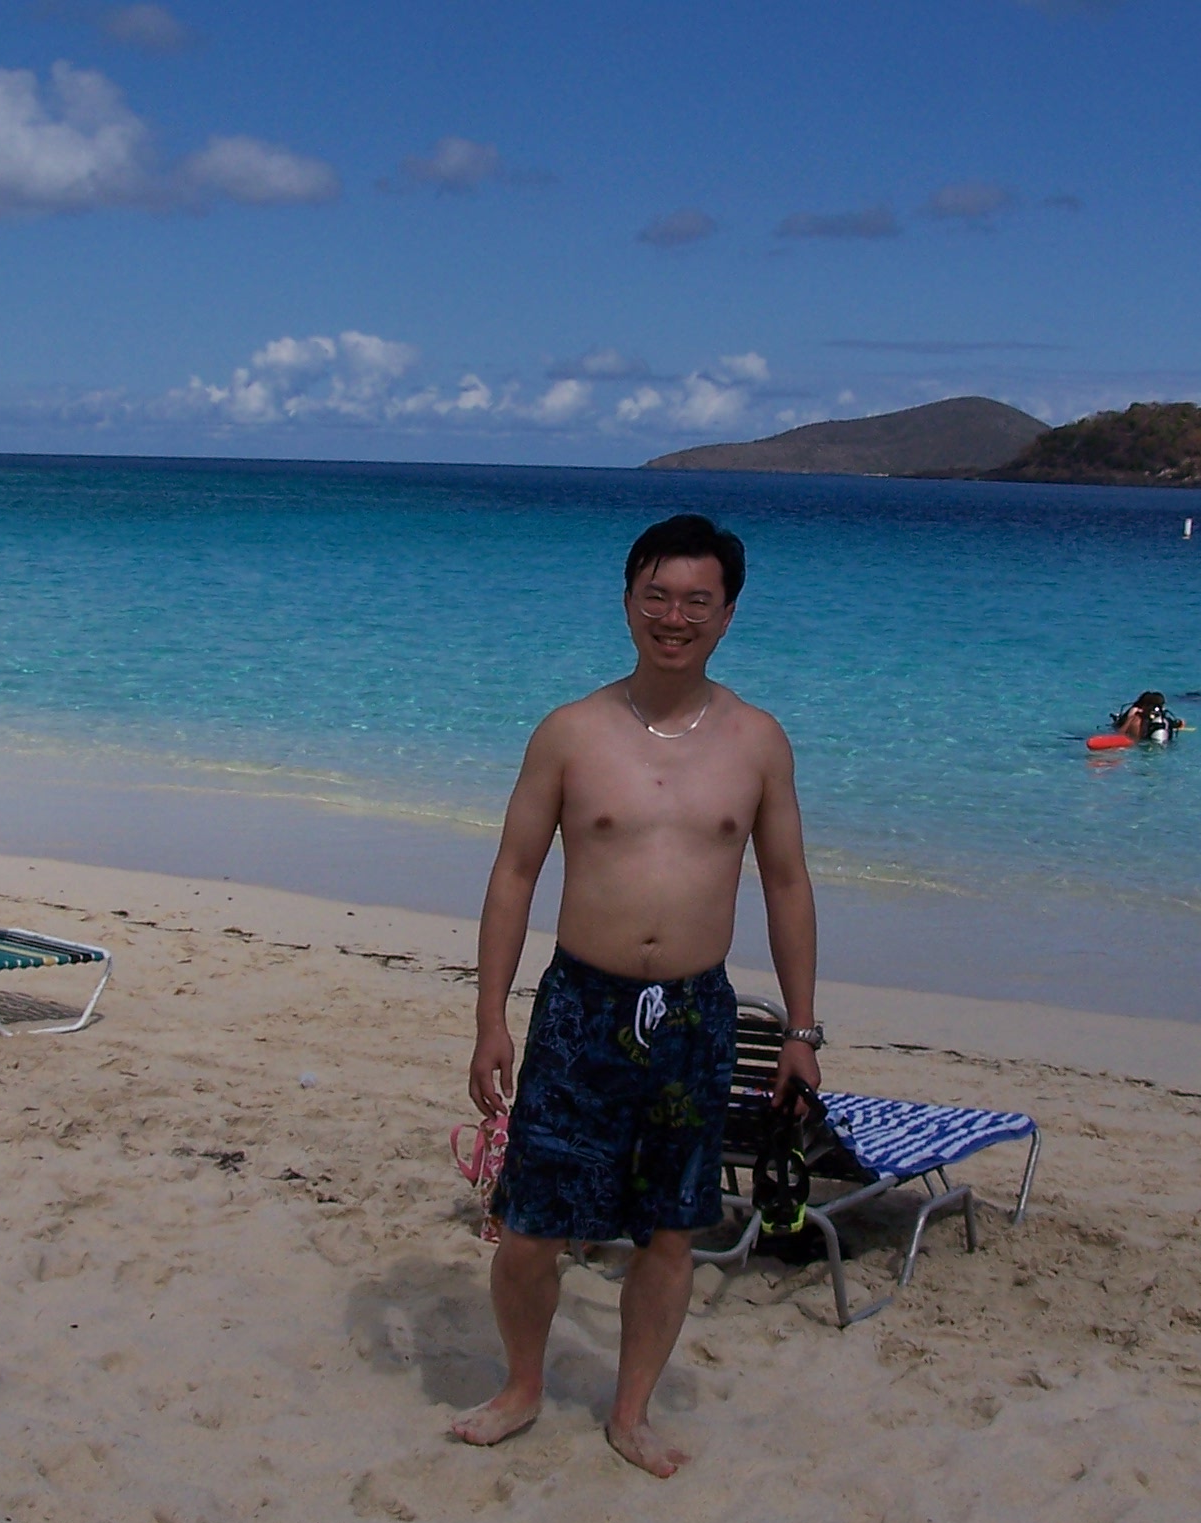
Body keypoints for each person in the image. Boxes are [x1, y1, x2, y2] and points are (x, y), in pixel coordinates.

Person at [452, 513, 821, 1478]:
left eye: (698, 600)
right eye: (657, 595)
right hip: (581, 1007)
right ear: (626, 603)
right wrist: (491, 1017)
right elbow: (513, 874)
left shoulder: (758, 742)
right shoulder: (571, 732)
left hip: (695, 1017)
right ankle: (522, 1385)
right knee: (531, 1226)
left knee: (670, 1231)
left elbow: (787, 884)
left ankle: (631, 1411)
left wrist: (802, 1030)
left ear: (728, 614)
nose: (675, 617)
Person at [1111, 691, 1184, 742]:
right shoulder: (1163, 720)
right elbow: (1180, 724)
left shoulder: (1136, 719)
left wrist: (1130, 717)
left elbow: (1120, 735)